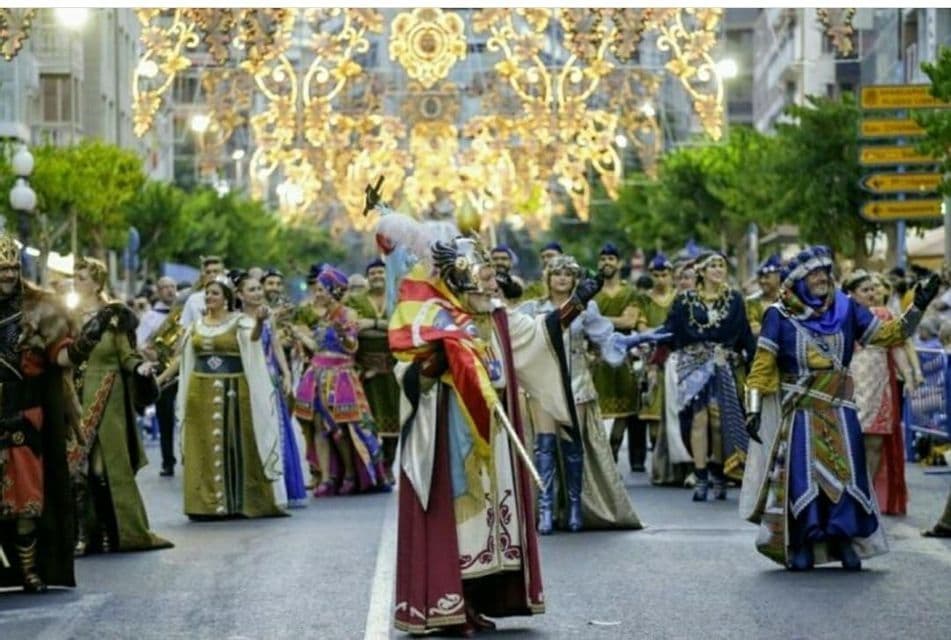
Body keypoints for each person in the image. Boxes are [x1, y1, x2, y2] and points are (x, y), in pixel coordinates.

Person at [387, 232, 598, 635]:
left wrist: (577, 303)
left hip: (498, 433)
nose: (493, 284)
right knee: (462, 521)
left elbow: (541, 335)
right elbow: (409, 373)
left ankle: (479, 599)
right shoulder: (435, 320)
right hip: (453, 435)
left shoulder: (499, 318)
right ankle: (451, 602)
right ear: (461, 279)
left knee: (490, 526)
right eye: (485, 277)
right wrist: (437, 357)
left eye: (493, 277)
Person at [742, 246, 939, 571]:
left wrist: (918, 306)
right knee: (803, 479)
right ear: (799, 279)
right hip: (800, 413)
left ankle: (844, 539)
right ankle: (804, 541)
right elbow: (762, 365)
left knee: (847, 477)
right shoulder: (779, 314)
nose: (822, 278)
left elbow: (889, 335)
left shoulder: (847, 309)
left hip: (840, 410)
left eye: (825, 272)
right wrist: (753, 409)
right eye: (814, 274)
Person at [519, 254, 642, 534]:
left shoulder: (587, 309)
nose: (562, 278)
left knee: (572, 446)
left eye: (568, 273)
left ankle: (575, 507)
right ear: (547, 278)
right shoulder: (531, 308)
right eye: (557, 273)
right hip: (541, 384)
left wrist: (633, 341)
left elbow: (605, 339)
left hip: (576, 383)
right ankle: (546, 508)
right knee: (544, 445)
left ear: (576, 280)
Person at [67, 257, 171, 555]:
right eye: (75, 276)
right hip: (74, 398)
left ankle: (119, 532)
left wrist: (140, 368)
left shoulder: (114, 316)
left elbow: (127, 355)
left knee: (103, 470)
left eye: (83, 277)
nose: (77, 281)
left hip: (107, 396)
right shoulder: (68, 315)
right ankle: (86, 536)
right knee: (78, 472)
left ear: (98, 282)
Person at [165, 276, 287, 519]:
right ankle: (204, 506)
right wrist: (160, 378)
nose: (209, 297)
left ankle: (237, 503)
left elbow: (253, 339)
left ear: (226, 299)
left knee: (235, 443)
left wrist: (260, 323)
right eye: (208, 293)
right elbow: (184, 357)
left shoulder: (240, 321)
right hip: (199, 392)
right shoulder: (196, 326)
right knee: (203, 447)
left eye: (215, 294)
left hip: (234, 390)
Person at [0, 232, 77, 592]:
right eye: (1, 271)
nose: (7, 276)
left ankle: (30, 571)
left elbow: (61, 356)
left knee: (25, 504)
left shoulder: (39, 308)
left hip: (24, 415)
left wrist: (86, 341)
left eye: (12, 269)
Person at [662, 250, 755, 501]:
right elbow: (670, 331)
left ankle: (719, 470)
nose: (718, 270)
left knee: (718, 421)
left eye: (722, 265)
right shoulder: (684, 302)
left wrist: (755, 360)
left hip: (722, 362)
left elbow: (744, 333)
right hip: (692, 363)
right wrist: (643, 341)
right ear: (701, 271)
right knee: (698, 419)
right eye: (712, 265)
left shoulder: (735, 300)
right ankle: (700, 475)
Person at [292, 266, 388, 497]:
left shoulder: (347, 315)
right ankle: (326, 477)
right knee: (318, 426)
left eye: (321, 290)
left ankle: (350, 474)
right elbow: (317, 347)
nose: (317, 294)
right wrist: (299, 335)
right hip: (316, 375)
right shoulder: (322, 317)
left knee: (343, 427)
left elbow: (352, 347)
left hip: (340, 376)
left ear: (333, 291)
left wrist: (344, 334)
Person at [234, 273, 308, 508]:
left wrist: (286, 374)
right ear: (239, 294)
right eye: (251, 289)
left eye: (258, 289)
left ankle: (284, 489)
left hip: (271, 379)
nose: (257, 293)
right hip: (250, 380)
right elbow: (253, 341)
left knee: (279, 430)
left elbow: (274, 344)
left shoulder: (268, 317)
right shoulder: (236, 321)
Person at [844, 270, 914, 516]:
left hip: (879, 386)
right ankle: (849, 493)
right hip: (851, 386)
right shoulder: (843, 315)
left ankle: (867, 495)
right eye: (865, 290)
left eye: (873, 289)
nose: (871, 293)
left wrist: (909, 376)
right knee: (851, 442)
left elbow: (897, 348)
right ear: (851, 294)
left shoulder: (885, 315)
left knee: (874, 443)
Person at [347, 259, 402, 484]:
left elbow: (401, 325)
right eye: (373, 272)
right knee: (366, 420)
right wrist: (385, 326)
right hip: (365, 369)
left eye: (381, 271)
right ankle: (371, 468)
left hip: (392, 368)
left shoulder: (399, 298)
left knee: (393, 421)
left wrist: (373, 324)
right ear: (367, 277)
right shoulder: (355, 300)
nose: (377, 275)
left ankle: (388, 467)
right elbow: (354, 326)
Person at [590, 243, 644, 470]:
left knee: (625, 411)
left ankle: (613, 455)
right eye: (603, 259)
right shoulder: (591, 291)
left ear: (619, 263)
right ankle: (603, 465)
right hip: (595, 360)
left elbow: (630, 322)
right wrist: (614, 320)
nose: (607, 263)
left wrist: (597, 319)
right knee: (597, 415)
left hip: (623, 360)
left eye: (611, 258)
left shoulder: (630, 292)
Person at [636, 253, 685, 486]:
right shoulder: (645, 300)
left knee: (677, 416)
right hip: (654, 361)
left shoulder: (680, 299)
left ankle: (678, 469)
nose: (660, 279)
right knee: (654, 418)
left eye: (664, 274)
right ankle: (660, 467)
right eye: (655, 275)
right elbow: (642, 326)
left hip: (677, 362)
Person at [137, 276, 179, 476]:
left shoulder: (184, 311)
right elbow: (140, 343)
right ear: (158, 291)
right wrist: (152, 354)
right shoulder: (150, 317)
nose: (170, 291)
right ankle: (167, 460)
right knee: (165, 418)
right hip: (163, 372)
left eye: (173, 286)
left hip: (186, 368)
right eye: (165, 287)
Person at [178, 256, 225, 329]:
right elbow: (183, 328)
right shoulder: (194, 299)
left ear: (223, 274)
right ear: (204, 276)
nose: (212, 275)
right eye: (208, 272)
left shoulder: (232, 298)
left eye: (216, 271)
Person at [746, 255, 782, 336]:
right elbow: (753, 330)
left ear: (778, 277)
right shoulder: (752, 302)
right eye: (760, 277)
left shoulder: (789, 299)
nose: (762, 281)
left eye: (766, 277)